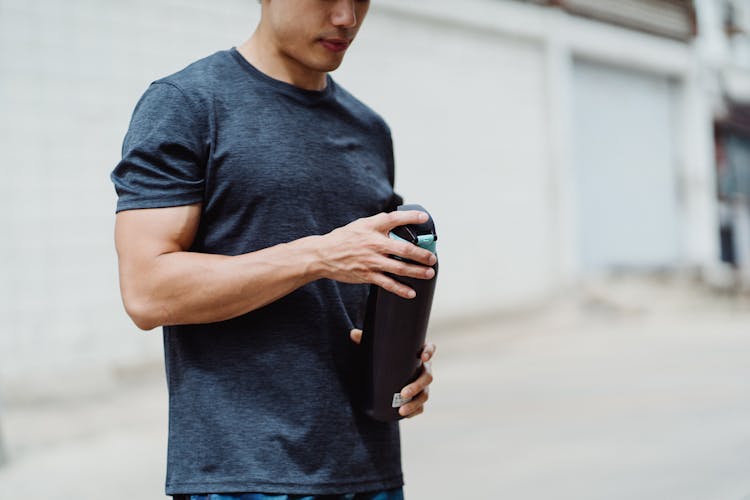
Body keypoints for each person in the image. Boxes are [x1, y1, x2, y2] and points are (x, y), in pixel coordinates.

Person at [110, 1, 437, 499]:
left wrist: (398, 359)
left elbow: (358, 287)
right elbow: (147, 291)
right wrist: (317, 257)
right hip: (244, 476)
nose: (347, 17)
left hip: (368, 467)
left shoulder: (369, 129)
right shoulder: (188, 103)